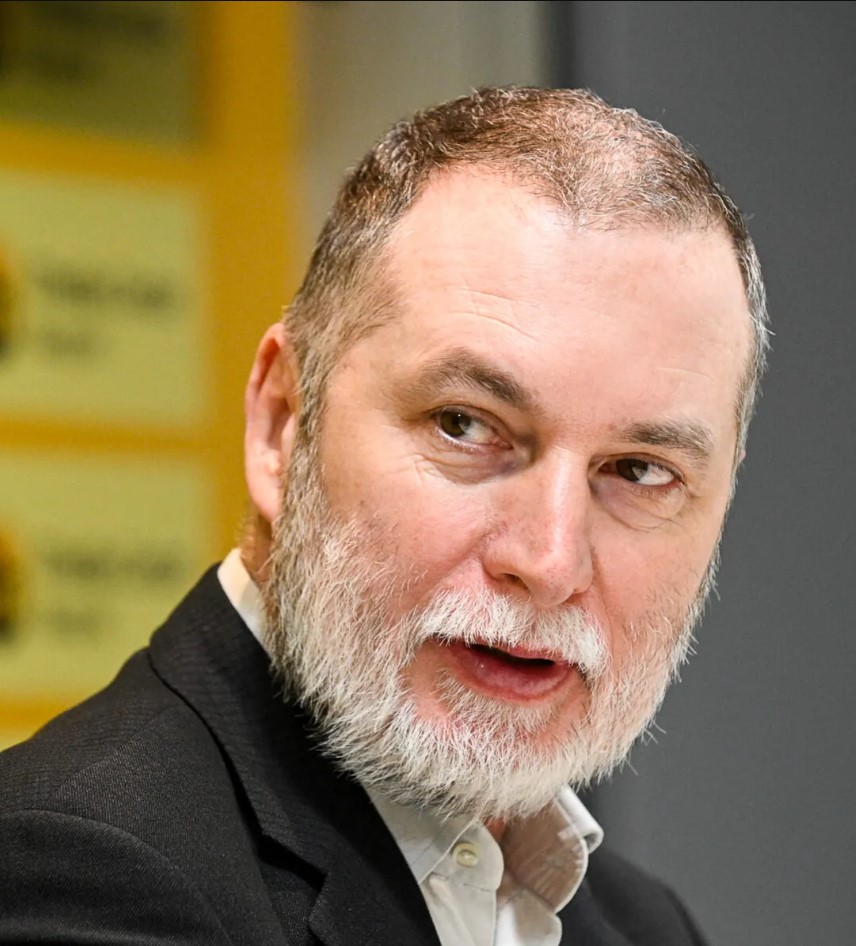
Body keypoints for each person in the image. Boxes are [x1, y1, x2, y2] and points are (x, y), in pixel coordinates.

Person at [0, 87, 768, 944]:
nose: (550, 561)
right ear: (284, 422)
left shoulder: (647, 926)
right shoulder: (80, 869)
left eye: (638, 471)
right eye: (465, 425)